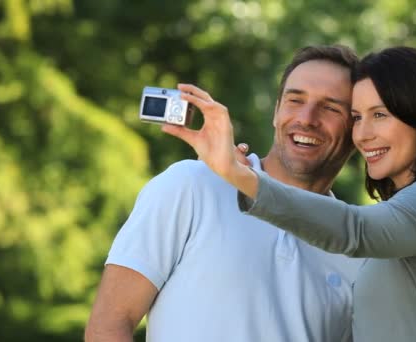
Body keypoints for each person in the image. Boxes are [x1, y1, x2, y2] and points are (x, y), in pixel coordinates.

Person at [162, 46, 416, 341]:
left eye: (379, 115)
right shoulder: (415, 214)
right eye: (356, 118)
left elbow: (355, 230)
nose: (363, 134)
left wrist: (237, 174)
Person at [85, 45, 366, 342]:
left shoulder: (357, 248)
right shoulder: (190, 186)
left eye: (331, 108)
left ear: (356, 129)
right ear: (276, 112)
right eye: (295, 100)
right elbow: (109, 325)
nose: (307, 118)